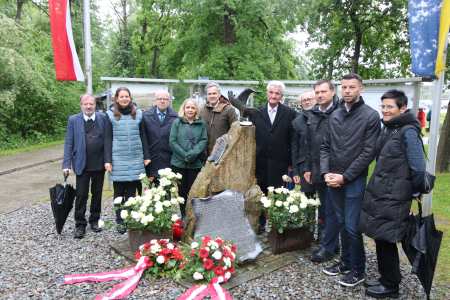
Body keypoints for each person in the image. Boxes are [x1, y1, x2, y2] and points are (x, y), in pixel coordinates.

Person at [359, 90, 425, 298]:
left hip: (395, 196)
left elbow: (418, 166)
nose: (385, 110)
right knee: (380, 237)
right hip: (382, 192)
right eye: (383, 106)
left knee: (386, 238)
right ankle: (386, 278)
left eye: (390, 107)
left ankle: (391, 286)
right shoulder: (391, 128)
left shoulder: (408, 131)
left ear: (402, 109)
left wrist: (415, 190)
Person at [321, 73, 381, 287]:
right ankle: (345, 262)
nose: (347, 91)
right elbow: (325, 147)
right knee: (341, 223)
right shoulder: (335, 115)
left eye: (352, 87)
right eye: (344, 87)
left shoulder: (371, 116)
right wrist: (326, 172)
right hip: (333, 179)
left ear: (360, 90)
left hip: (353, 180)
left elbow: (368, 153)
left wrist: (345, 177)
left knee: (353, 225)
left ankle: (358, 269)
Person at [249, 80, 297, 233]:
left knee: (279, 193)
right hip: (260, 161)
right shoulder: (255, 112)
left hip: (280, 161)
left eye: (277, 93)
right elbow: (250, 138)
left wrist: (291, 163)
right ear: (267, 93)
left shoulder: (290, 113)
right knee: (260, 193)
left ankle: (277, 224)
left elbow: (293, 140)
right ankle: (261, 222)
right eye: (271, 92)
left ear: (281, 96)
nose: (274, 96)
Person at [104, 87, 151, 234]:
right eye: (121, 96)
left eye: (127, 96)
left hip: (135, 158)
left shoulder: (138, 114)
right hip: (118, 158)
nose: (124, 99)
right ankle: (120, 221)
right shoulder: (110, 115)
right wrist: (108, 160)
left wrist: (146, 156)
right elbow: (107, 138)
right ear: (116, 99)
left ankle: (130, 218)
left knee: (131, 193)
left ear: (130, 98)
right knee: (119, 193)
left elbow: (143, 136)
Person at [303, 80, 340, 256]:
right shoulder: (314, 113)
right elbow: (310, 144)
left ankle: (330, 245)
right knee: (324, 207)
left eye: (323, 91)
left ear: (332, 92)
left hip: (335, 171)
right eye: (317, 92)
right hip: (317, 169)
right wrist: (308, 168)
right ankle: (329, 242)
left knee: (334, 209)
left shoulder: (340, 112)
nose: (319, 95)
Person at [62, 93, 106, 238]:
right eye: (85, 104)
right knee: (81, 195)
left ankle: (94, 220)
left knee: (97, 193)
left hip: (99, 163)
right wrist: (66, 164)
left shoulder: (103, 118)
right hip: (82, 163)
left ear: (95, 105)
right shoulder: (73, 120)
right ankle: (80, 223)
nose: (88, 106)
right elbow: (69, 143)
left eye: (91, 104)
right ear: (81, 105)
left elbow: (108, 139)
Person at [169, 98, 207, 226]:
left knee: (193, 190)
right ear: (184, 109)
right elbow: (172, 142)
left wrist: (192, 155)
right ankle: (183, 214)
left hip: (194, 164)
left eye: (192, 107)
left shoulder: (201, 123)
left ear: (196, 109)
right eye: (187, 107)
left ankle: (193, 214)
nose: (190, 110)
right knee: (181, 190)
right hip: (179, 163)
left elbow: (203, 141)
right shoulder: (177, 123)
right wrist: (185, 155)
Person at [142, 90, 179, 183]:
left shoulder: (176, 117)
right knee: (152, 192)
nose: (162, 101)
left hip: (168, 160)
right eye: (160, 99)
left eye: (165, 99)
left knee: (167, 191)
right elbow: (143, 138)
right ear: (155, 101)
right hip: (151, 159)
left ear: (169, 101)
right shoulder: (146, 116)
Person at [200, 83, 238, 157]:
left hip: (223, 153)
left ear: (219, 94)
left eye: (214, 93)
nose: (212, 96)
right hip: (205, 153)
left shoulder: (229, 110)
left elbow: (235, 131)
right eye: (209, 94)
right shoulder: (201, 111)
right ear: (207, 95)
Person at [292, 89, 316, 198]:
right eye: (304, 100)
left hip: (323, 165)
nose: (307, 102)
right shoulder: (297, 122)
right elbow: (295, 147)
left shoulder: (325, 118)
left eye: (310, 99)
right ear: (301, 103)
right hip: (303, 165)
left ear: (315, 100)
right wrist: (296, 171)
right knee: (308, 201)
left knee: (326, 202)